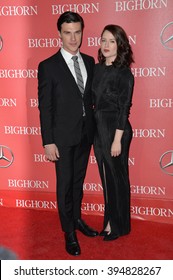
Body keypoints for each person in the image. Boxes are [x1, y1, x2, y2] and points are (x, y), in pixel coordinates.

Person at [38, 11, 98, 256]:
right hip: (61, 138)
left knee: (77, 182)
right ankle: (69, 233)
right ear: (59, 34)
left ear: (82, 32)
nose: (73, 38)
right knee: (64, 185)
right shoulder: (48, 66)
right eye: (68, 33)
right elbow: (45, 107)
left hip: (85, 134)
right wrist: (48, 141)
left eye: (77, 32)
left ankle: (77, 220)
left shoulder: (90, 61)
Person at [92, 24, 134, 241]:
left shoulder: (124, 74)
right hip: (98, 129)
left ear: (120, 44)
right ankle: (110, 220)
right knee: (106, 178)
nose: (106, 45)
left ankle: (117, 225)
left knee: (117, 178)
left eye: (111, 41)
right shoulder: (97, 69)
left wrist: (117, 140)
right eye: (103, 40)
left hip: (116, 130)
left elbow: (123, 109)